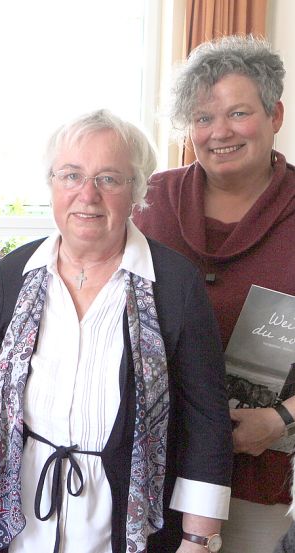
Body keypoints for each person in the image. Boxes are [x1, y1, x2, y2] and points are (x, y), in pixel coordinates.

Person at [0, 109, 233, 553]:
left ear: (137, 192)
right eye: (71, 175)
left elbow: (206, 419)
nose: (87, 195)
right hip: (18, 513)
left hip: (126, 523)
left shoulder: (175, 283)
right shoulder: (16, 272)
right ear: (51, 184)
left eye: (109, 179)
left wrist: (199, 539)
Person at [133, 35, 295, 553]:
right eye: (203, 118)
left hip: (263, 466)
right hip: (144, 464)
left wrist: (281, 418)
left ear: (276, 114)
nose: (219, 132)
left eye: (238, 113)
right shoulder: (149, 200)